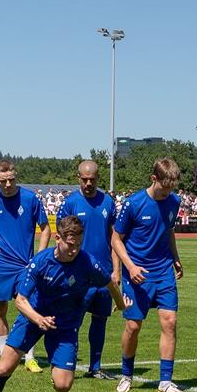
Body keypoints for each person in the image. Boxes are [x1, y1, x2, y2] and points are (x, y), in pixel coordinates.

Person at [0, 216, 127, 392]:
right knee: (5, 368)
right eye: (70, 245)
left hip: (65, 325)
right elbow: (20, 300)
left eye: (78, 245)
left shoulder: (87, 262)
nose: (74, 250)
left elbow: (110, 283)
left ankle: (57, 367)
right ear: (57, 238)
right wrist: (38, 319)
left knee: (63, 386)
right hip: (32, 317)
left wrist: (121, 304)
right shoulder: (40, 262)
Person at [110, 158, 188, 392]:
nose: (168, 193)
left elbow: (169, 230)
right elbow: (115, 239)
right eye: (165, 188)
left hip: (164, 272)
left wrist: (176, 258)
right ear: (154, 179)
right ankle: (126, 375)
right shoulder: (134, 203)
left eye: (172, 188)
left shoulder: (174, 201)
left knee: (170, 323)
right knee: (133, 326)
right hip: (138, 275)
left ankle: (165, 380)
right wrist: (129, 268)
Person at [0, 161, 50, 372]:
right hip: (1, 264)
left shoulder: (30, 199)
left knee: (28, 308)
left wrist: (39, 256)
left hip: (26, 264)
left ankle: (30, 358)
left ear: (16, 177)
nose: (8, 184)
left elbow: (45, 228)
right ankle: (5, 355)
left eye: (11, 180)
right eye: (3, 181)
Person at [55, 160, 119, 378]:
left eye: (92, 179)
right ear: (78, 178)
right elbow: (61, 240)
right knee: (72, 321)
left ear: (98, 178)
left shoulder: (108, 202)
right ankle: (66, 363)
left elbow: (114, 238)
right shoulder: (70, 203)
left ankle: (95, 367)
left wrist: (116, 270)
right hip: (77, 274)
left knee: (100, 320)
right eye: (85, 179)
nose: (88, 183)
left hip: (103, 274)